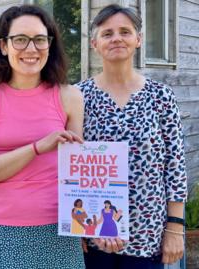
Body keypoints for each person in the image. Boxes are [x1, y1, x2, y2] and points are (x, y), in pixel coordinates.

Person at [0, 4, 85, 269]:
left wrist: (92, 221)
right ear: (3, 46)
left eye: (40, 40)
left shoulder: (70, 96)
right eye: (20, 39)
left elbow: (78, 173)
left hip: (59, 230)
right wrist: (37, 147)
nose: (31, 49)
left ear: (50, 46)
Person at [76, 4, 188, 269]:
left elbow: (175, 165)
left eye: (125, 32)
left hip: (147, 235)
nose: (117, 38)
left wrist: (175, 227)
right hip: (94, 236)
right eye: (107, 33)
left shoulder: (161, 96)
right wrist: (77, 228)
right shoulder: (77, 96)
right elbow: (68, 164)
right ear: (94, 43)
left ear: (138, 40)